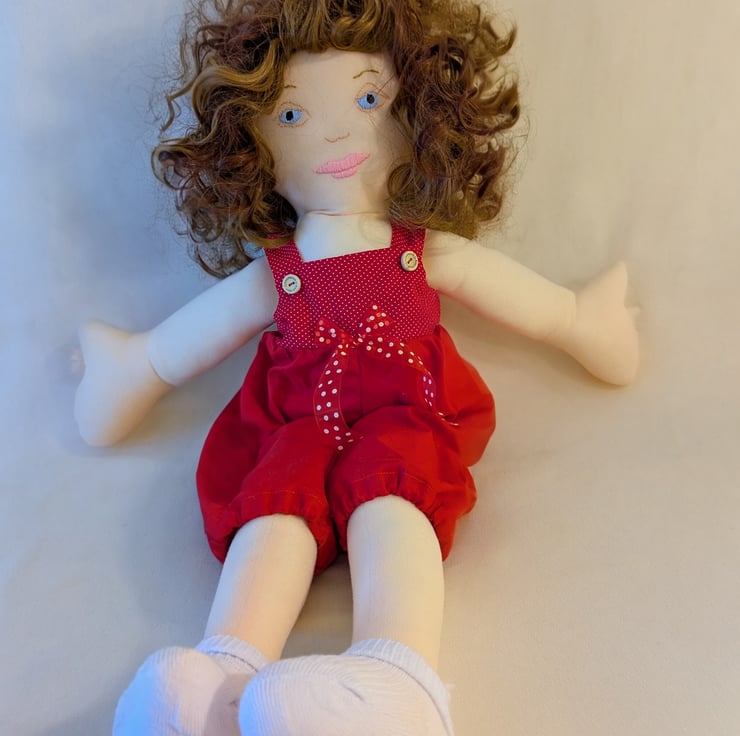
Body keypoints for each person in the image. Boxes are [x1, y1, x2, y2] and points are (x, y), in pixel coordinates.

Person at [74, 0, 639, 733]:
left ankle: (398, 678)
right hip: (298, 422)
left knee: (393, 496)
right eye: (291, 116)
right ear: (249, 145)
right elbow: (192, 336)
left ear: (423, 113)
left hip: (402, 414)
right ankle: (222, 678)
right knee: (274, 509)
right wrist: (137, 366)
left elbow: (519, 297)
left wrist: (577, 321)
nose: (337, 132)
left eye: (369, 100)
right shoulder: (280, 270)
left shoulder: (419, 248)